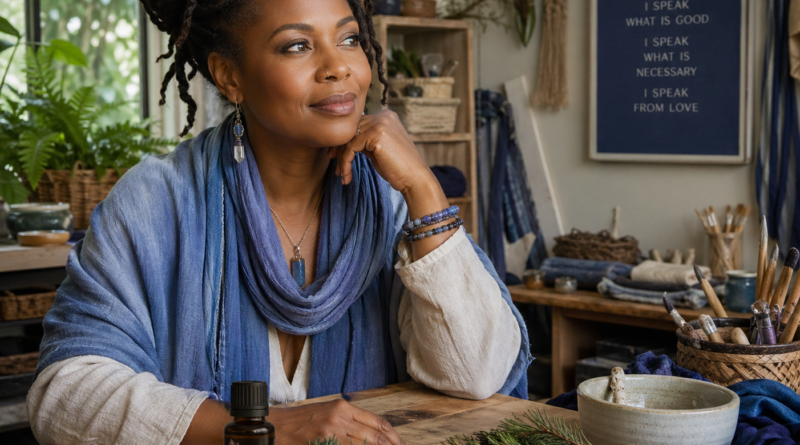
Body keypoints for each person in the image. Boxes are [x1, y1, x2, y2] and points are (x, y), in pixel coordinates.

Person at [26, 0, 530, 443]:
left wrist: (424, 187)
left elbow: (477, 374)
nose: (338, 68)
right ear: (229, 76)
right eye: (296, 46)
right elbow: (65, 394)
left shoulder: (391, 205)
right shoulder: (156, 202)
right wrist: (254, 429)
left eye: (349, 38)